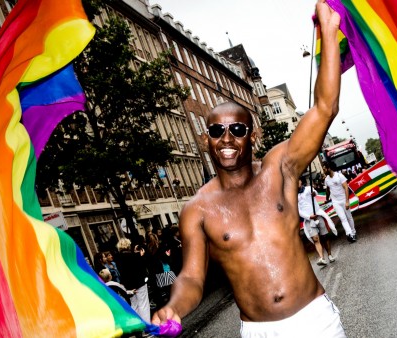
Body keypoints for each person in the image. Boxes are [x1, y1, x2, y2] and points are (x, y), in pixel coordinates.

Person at [152, 2, 346, 336]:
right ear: (207, 138)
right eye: (216, 131)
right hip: (259, 332)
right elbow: (192, 277)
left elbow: (325, 108)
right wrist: (174, 306)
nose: (226, 138)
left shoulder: (280, 169)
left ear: (252, 136)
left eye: (237, 130)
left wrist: (328, 34)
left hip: (314, 320)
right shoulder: (197, 209)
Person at [298, 177, 337, 265]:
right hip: (309, 219)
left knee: (325, 236)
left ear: (301, 181)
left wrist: (314, 193)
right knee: (315, 239)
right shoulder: (294, 196)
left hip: (318, 215)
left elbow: (315, 192)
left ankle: (330, 255)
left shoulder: (308, 189)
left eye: (298, 180)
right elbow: (299, 211)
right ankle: (322, 258)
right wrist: (309, 217)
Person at [114, 238, 150, 322]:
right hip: (139, 282)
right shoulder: (134, 256)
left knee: (134, 305)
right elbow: (142, 266)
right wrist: (141, 255)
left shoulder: (117, 258)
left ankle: (138, 326)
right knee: (143, 304)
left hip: (128, 285)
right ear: (128, 245)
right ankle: (146, 326)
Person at [323, 162, 357, 243]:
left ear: (329, 168)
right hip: (336, 202)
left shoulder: (339, 176)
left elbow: (346, 187)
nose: (323, 171)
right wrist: (327, 199)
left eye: (324, 169)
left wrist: (347, 201)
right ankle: (349, 234)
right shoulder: (326, 179)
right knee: (343, 218)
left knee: (349, 217)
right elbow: (328, 190)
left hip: (344, 200)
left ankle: (353, 232)